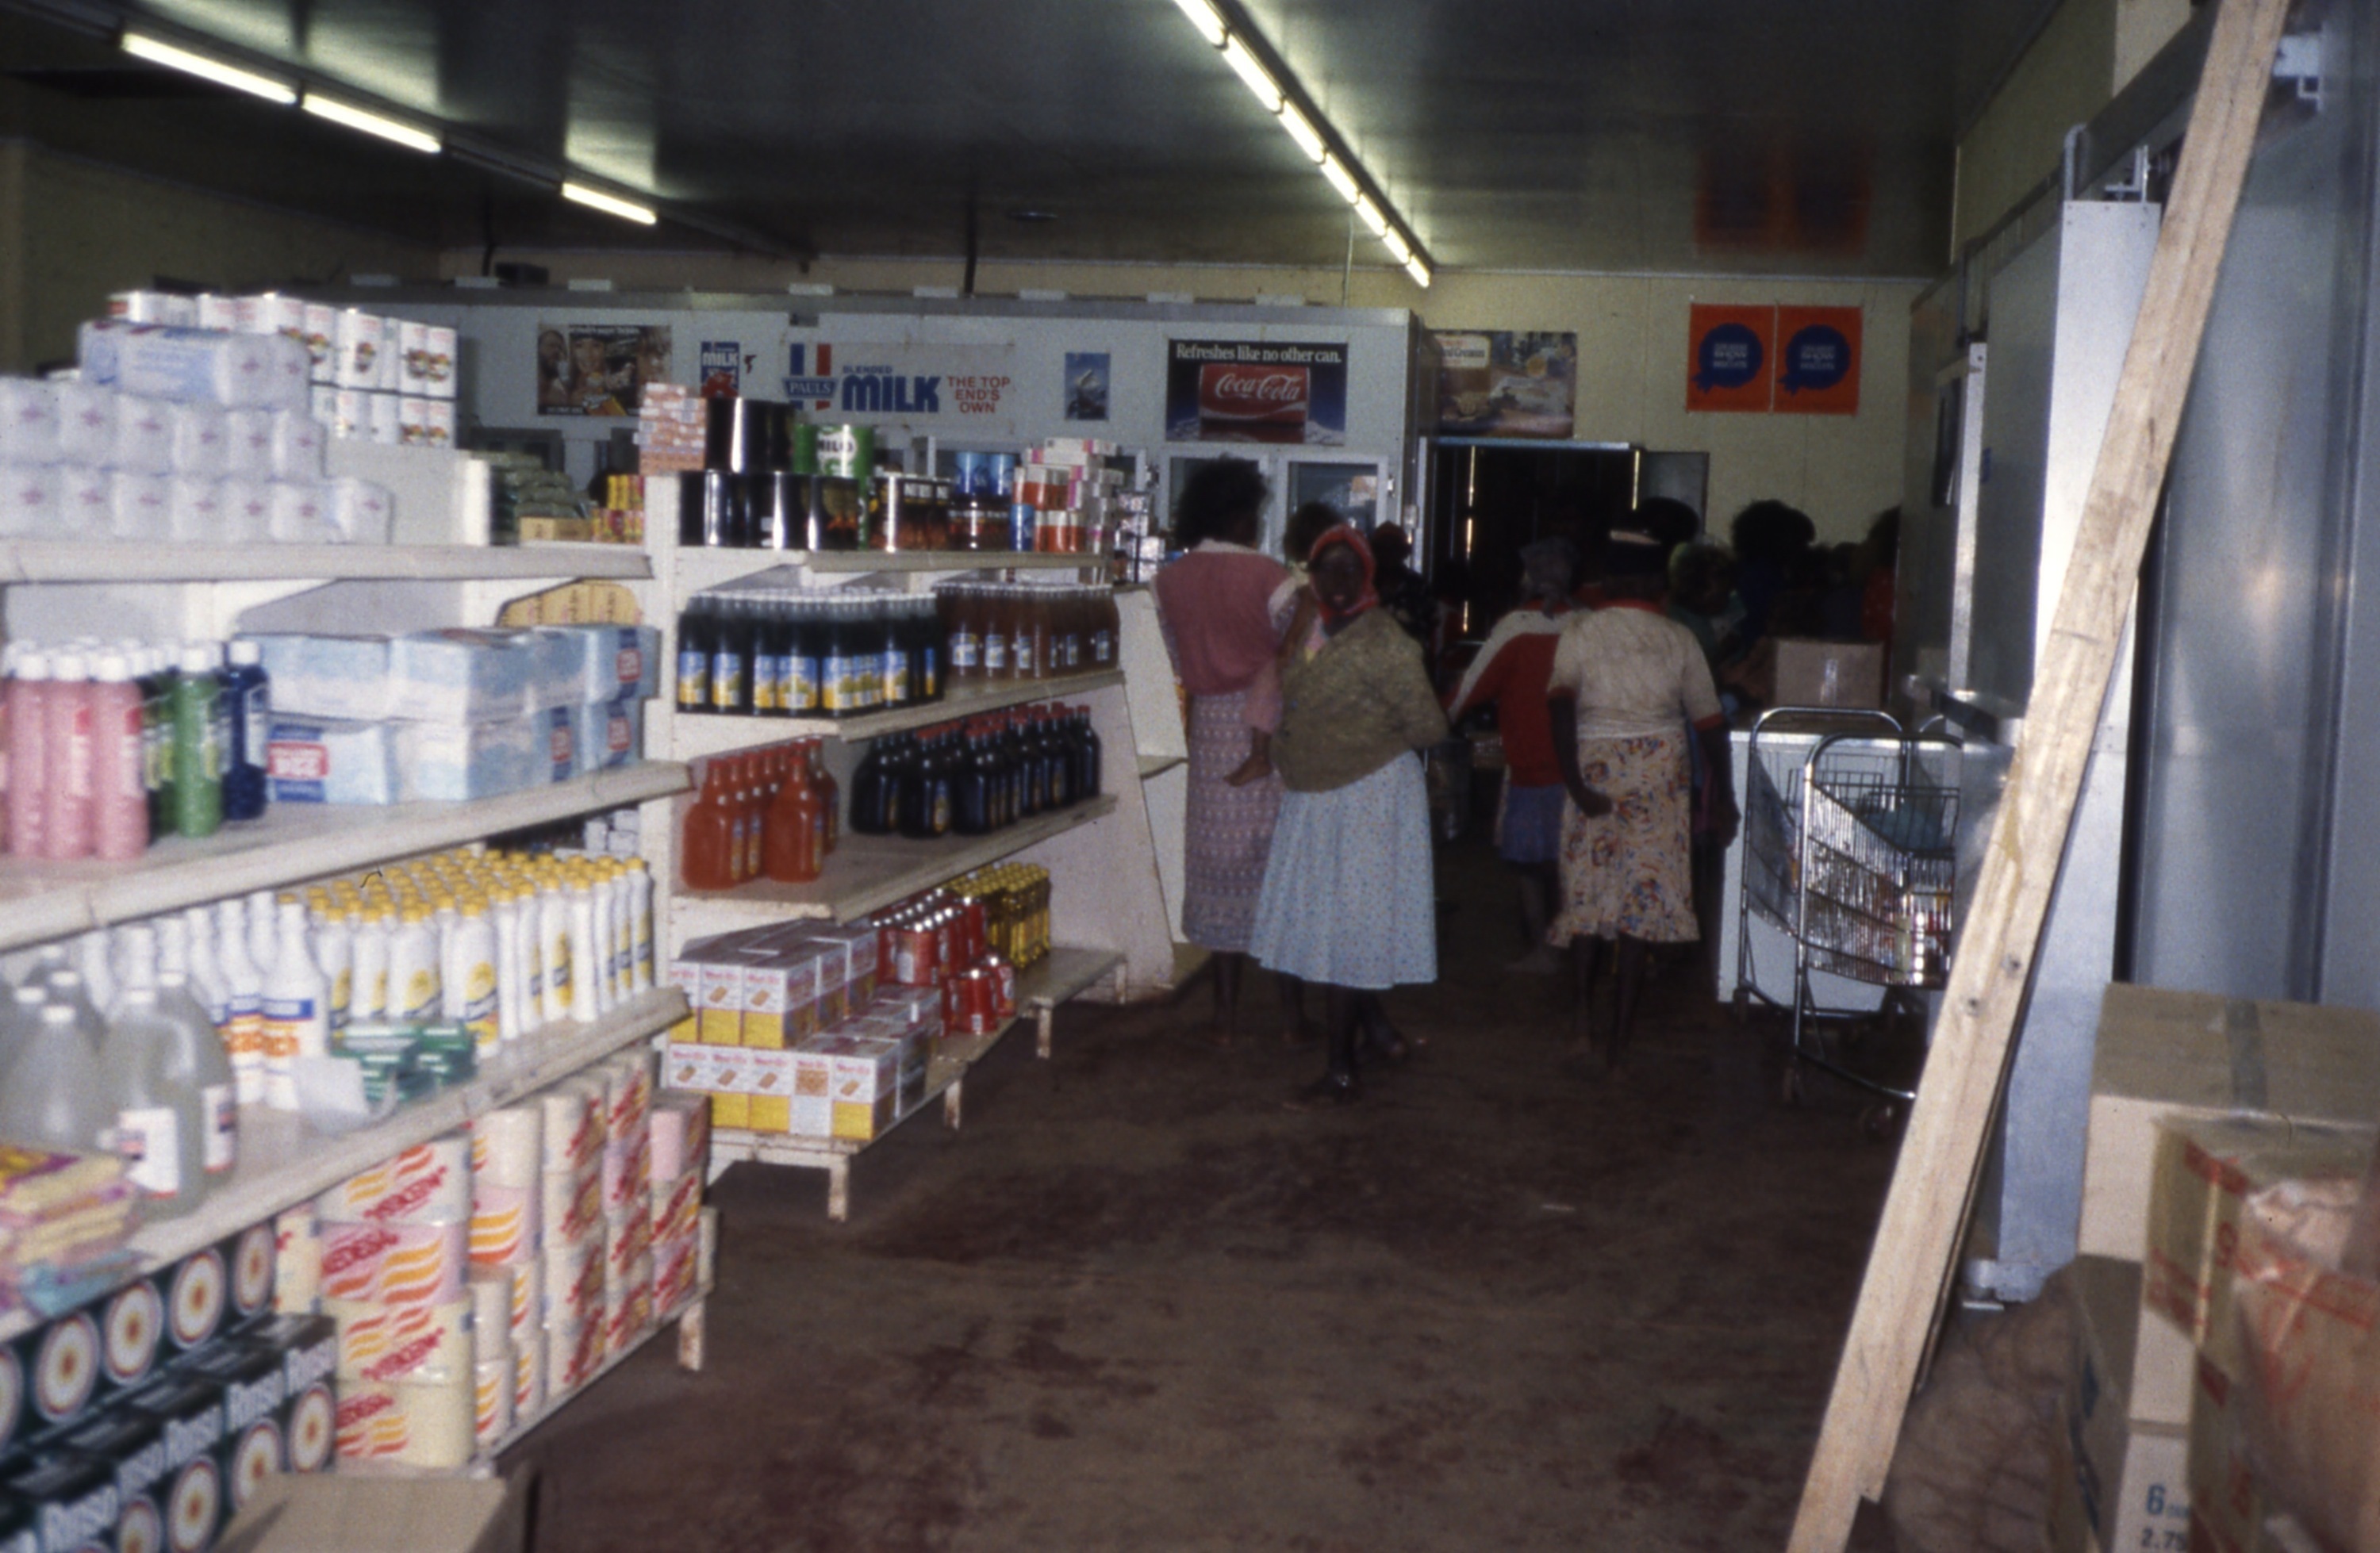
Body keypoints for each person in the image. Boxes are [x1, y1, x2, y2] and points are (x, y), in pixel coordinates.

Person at [1250, 526, 1449, 1107]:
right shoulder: (1313, 629)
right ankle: (1380, 1034)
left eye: (1350, 570)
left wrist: (1363, 738)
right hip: (1319, 797)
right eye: (1327, 569)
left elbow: (1428, 726)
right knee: (1339, 922)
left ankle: (1341, 1070)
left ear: (1367, 577)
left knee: (1346, 932)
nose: (1338, 581)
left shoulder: (1385, 640)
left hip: (1369, 796)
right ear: (1311, 576)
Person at [1547, 529, 1738, 1068]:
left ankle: (1582, 1022)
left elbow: (1559, 709)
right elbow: (1710, 725)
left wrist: (1575, 785)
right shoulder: (1679, 639)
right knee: (1642, 907)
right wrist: (1723, 797)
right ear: (1660, 584)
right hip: (1659, 777)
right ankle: (1619, 1042)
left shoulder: (1580, 632)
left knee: (1588, 897)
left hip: (1594, 770)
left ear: (1607, 582)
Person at [1152, 461, 1307, 1045]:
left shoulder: (1169, 581)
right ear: (1242, 515)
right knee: (1282, 873)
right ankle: (1292, 1018)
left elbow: (1173, 656)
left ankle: (1224, 1017)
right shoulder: (1270, 576)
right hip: (1273, 732)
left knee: (1218, 878)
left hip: (1210, 735)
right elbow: (1302, 645)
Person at [1445, 535, 1579, 972]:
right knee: (1574, 863)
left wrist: (1437, 718)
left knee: (1531, 866)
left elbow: (1469, 690)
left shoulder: (1516, 627)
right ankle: (1577, 951)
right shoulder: (1589, 622)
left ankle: (1545, 949)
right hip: (1585, 766)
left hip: (1532, 765)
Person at [1230, 500, 1346, 788]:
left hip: (1313, 650)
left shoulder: (1311, 584)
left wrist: (1286, 649)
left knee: (1266, 687)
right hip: (1336, 654)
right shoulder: (1343, 577)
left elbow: (1300, 622)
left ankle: (1259, 755)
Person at [1368, 523, 1440, 647]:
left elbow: (1431, 626)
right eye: (1382, 548)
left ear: (1404, 552)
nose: (1388, 554)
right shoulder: (1364, 585)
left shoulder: (1418, 586)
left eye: (1394, 548)